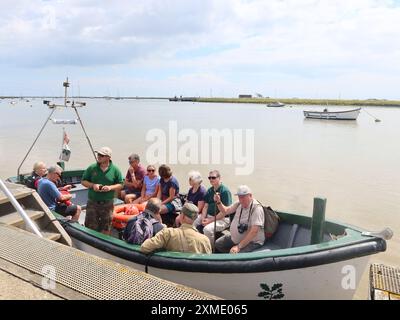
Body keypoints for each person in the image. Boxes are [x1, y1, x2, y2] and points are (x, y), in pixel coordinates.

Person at [81, 147, 123, 235]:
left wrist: (110, 187)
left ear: (108, 157)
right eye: (98, 154)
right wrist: (93, 185)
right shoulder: (92, 168)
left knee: (106, 226)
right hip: (93, 202)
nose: (98, 156)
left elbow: (121, 184)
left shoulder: (115, 170)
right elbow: (83, 181)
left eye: (101, 155)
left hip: (107, 203)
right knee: (90, 226)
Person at [140, 203, 212, 254]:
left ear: (182, 216)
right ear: (195, 218)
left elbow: (144, 247)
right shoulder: (205, 240)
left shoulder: (168, 233)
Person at [214, 185, 265, 254]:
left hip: (252, 242)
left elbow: (254, 232)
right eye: (239, 196)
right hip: (235, 239)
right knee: (218, 244)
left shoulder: (256, 209)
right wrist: (218, 202)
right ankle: (227, 258)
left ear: (250, 195)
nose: (241, 199)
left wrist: (238, 246)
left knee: (234, 254)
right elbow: (225, 211)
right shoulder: (238, 203)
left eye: (243, 197)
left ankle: (230, 259)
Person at [196, 170, 232, 248]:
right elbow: (206, 206)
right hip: (209, 216)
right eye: (209, 178)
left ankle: (210, 249)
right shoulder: (210, 190)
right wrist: (203, 218)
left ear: (219, 178)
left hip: (222, 219)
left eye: (213, 177)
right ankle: (196, 244)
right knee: (193, 221)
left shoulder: (225, 191)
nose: (211, 179)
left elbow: (224, 212)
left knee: (207, 230)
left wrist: (210, 220)